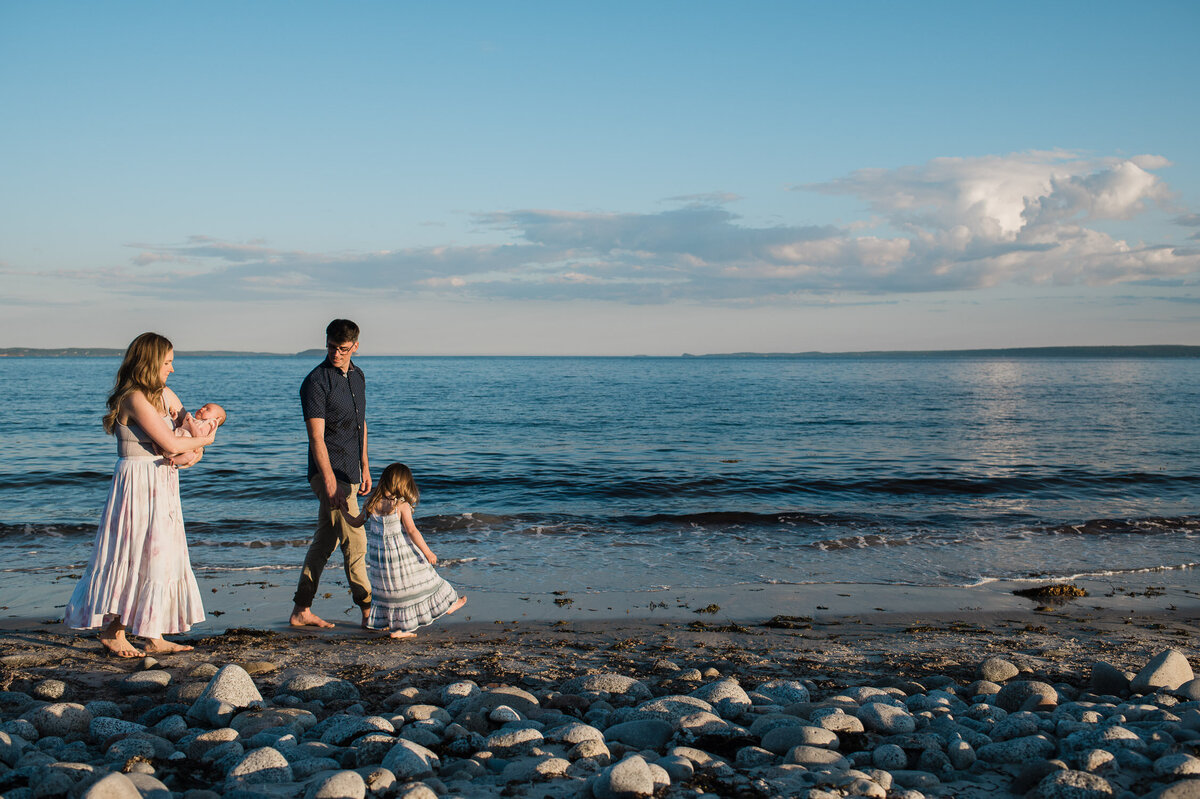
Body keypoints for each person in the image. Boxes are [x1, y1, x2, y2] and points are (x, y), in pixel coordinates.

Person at [64, 332, 215, 657]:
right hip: (137, 483)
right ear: (149, 363)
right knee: (133, 552)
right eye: (167, 362)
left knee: (161, 554)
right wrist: (201, 445)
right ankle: (112, 630)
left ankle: (152, 633)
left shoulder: (164, 395)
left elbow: (190, 433)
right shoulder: (134, 398)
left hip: (162, 479)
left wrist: (196, 446)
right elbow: (176, 444)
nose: (172, 369)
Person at [290, 319, 373, 629]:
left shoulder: (358, 376)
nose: (336, 353)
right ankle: (368, 611)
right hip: (328, 473)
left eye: (342, 348)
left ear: (355, 347)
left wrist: (365, 466)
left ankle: (301, 609)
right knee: (356, 540)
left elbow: (360, 426)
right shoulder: (316, 382)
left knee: (325, 542)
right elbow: (316, 438)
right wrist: (328, 483)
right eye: (330, 347)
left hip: (351, 470)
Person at [343, 463, 467, 638]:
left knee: (390, 588)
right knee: (425, 576)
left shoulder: (371, 502)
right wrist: (428, 552)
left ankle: (398, 628)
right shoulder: (401, 505)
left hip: (379, 557)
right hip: (399, 553)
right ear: (403, 483)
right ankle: (447, 605)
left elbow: (355, 522)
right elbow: (412, 531)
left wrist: (342, 509)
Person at [166, 402, 227, 467]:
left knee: (190, 456)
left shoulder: (206, 425)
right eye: (203, 407)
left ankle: (173, 460)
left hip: (184, 448)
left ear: (216, 419)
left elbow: (199, 437)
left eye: (207, 409)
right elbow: (181, 427)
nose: (202, 408)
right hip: (172, 440)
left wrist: (191, 423)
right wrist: (174, 420)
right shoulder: (192, 419)